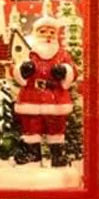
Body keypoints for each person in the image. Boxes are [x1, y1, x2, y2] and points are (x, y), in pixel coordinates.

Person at [12, 15, 78, 166]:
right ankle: (33, 156)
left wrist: (65, 71)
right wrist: (22, 69)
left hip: (55, 97)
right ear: (36, 33)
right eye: (43, 31)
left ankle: (57, 156)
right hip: (32, 96)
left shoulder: (62, 54)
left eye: (51, 32)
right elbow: (15, 67)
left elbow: (73, 71)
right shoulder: (29, 52)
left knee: (56, 127)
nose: (48, 35)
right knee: (31, 126)